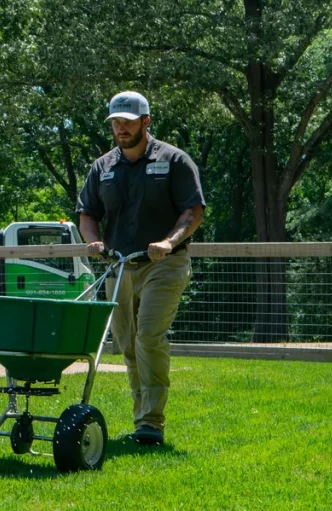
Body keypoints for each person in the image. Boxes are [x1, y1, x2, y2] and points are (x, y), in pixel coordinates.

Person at [76, 91, 206, 445]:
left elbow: (193, 212)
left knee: (148, 336)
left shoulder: (174, 160)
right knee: (127, 344)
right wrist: (93, 241)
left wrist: (168, 242)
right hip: (119, 266)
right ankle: (141, 420)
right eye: (116, 122)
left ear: (146, 122)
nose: (121, 128)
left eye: (128, 122)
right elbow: (87, 214)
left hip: (164, 263)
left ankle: (152, 422)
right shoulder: (102, 167)